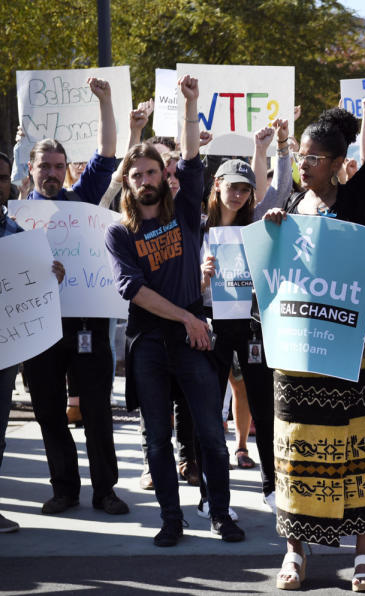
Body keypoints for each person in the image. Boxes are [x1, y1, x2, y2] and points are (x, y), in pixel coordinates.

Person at [262, 33, 365, 592]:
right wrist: (275, 233)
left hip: (348, 346)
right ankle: (295, 551)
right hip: (296, 351)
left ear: (337, 162)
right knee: (295, 446)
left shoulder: (353, 197)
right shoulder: (293, 206)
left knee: (353, 448)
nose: (302, 162)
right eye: (299, 154)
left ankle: (364, 552)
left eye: (312, 156)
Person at [105, 75, 245, 546]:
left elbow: (190, 157)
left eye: (152, 173)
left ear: (162, 178)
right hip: (148, 341)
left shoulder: (185, 209)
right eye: (137, 174)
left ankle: (222, 514)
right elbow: (135, 291)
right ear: (127, 180)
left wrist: (192, 105)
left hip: (191, 340)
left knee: (209, 431)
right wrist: (187, 317)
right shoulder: (119, 232)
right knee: (156, 440)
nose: (145, 180)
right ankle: (172, 518)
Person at [21, 77, 130, 516]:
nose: (50, 173)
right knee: (49, 411)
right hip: (38, 329)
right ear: (30, 169)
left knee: (98, 411)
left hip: (86, 323)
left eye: (57, 166)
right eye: (43, 165)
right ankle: (64, 487)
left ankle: (105, 490)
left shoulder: (80, 201)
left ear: (66, 170)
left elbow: (107, 156)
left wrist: (105, 101)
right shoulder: (13, 216)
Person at [198, 119, 293, 516]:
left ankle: (272, 488)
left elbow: (283, 190)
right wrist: (199, 279)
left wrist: (281, 150)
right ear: (216, 186)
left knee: (264, 407)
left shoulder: (258, 225)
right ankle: (210, 496)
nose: (237, 194)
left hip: (252, 326)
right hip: (210, 325)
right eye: (230, 186)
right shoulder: (198, 228)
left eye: (244, 188)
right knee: (208, 413)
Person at [0, 205, 65, 532]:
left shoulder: (18, 235)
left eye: (0, 177)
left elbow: (32, 285)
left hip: (5, 352)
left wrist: (51, 278)